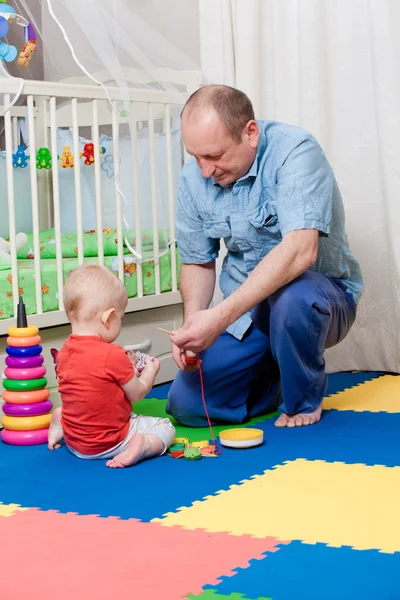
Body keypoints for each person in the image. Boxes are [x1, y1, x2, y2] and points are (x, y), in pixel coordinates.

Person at [166, 84, 363, 429]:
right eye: (196, 157)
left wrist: (221, 316)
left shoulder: (296, 152)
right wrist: (194, 327)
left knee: (291, 298)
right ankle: (273, 373)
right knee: (186, 405)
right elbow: (198, 260)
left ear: (250, 133)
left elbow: (300, 250)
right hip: (248, 312)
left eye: (214, 156)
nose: (205, 171)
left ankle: (302, 399)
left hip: (317, 298)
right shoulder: (193, 178)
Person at [48, 264, 175, 468]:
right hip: (109, 442)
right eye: (120, 319)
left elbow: (98, 384)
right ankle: (141, 447)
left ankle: (59, 422)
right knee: (165, 427)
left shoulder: (63, 352)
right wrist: (149, 373)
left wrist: (129, 371)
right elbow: (137, 393)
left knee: (78, 402)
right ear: (108, 318)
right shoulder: (112, 353)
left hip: (76, 443)